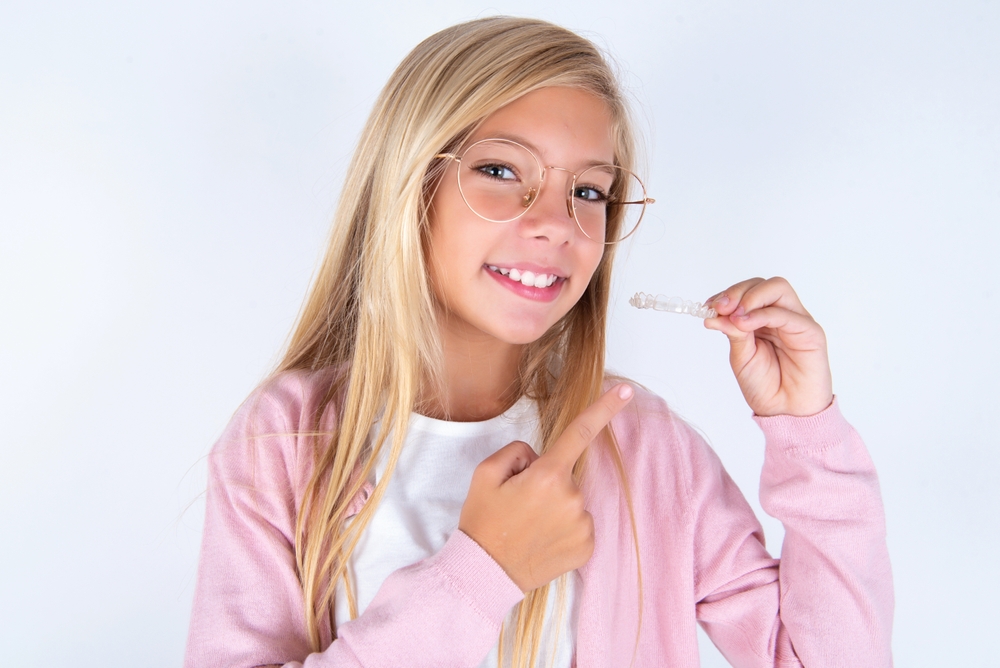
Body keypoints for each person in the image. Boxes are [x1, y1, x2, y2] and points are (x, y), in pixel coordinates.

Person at [184, 16, 893, 668]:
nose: (557, 222)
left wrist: (808, 432)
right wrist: (484, 570)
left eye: (588, 191)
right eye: (500, 171)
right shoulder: (288, 443)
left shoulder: (641, 448)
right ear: (408, 183)